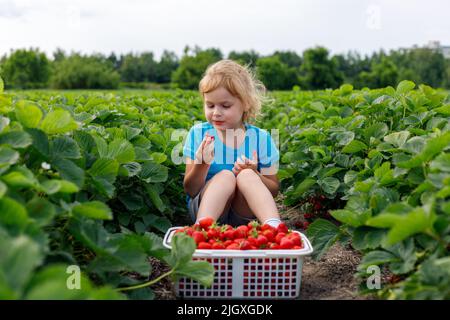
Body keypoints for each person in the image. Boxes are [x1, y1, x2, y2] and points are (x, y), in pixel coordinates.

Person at [182, 59, 282, 228]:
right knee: (226, 176)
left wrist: (255, 174)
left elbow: (273, 189)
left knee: (247, 175)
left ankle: (274, 227)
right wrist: (202, 165)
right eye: (210, 105)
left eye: (225, 106)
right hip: (208, 211)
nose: (216, 113)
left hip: (244, 215)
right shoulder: (198, 134)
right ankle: (202, 229)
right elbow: (191, 190)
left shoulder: (261, 138)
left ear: (246, 104)